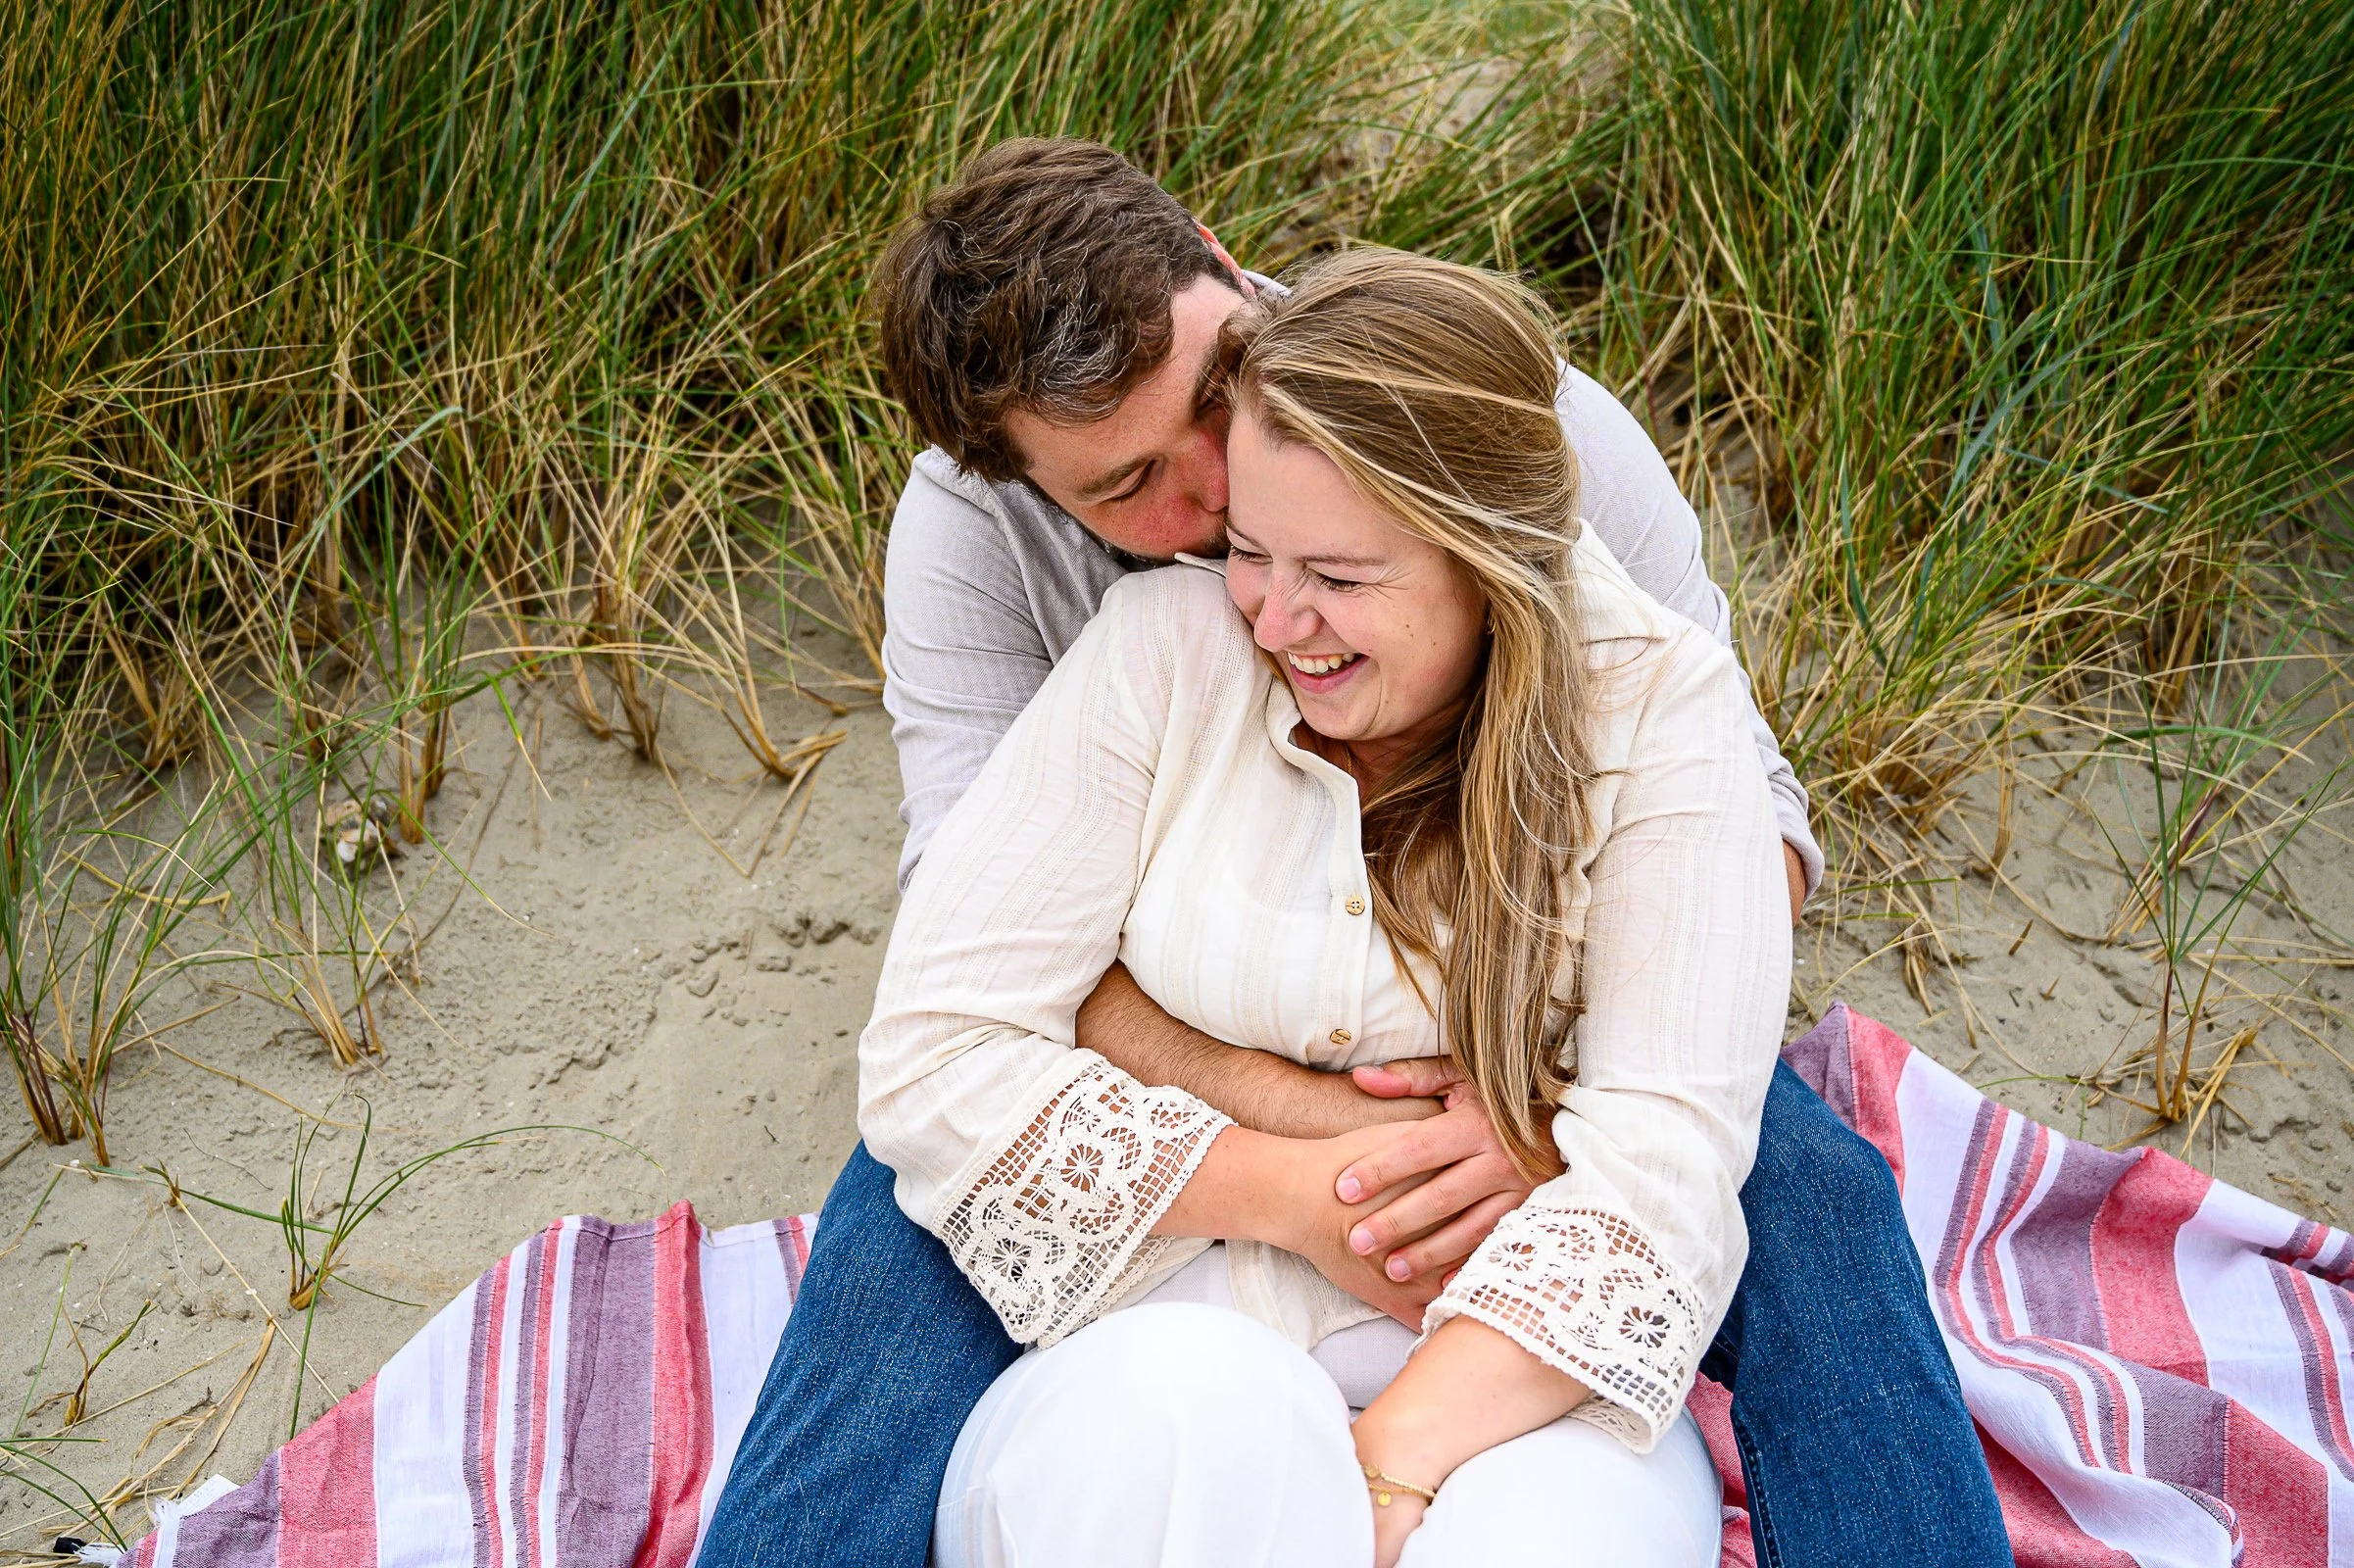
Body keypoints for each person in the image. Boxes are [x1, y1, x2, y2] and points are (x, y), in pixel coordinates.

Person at [697, 140, 2011, 1568]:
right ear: (1028, 486)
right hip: (1170, 1024)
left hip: (1532, 1015)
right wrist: (1309, 1135)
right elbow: (972, 952)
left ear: (1215, 256)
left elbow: (1735, 806)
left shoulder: (1497, 410)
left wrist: (1542, 1104)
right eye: (1129, 482)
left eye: (1213, 396)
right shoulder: (981, 552)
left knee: (1802, 1194)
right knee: (904, 1240)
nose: (1215, 489)